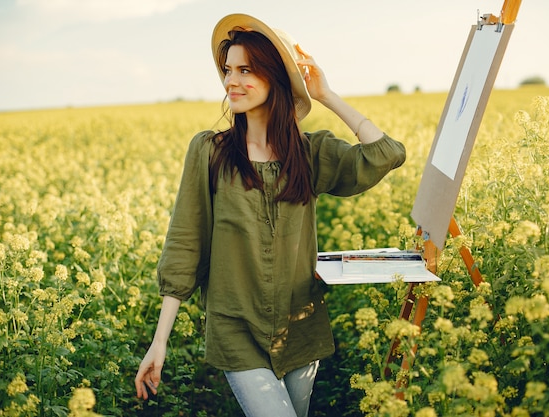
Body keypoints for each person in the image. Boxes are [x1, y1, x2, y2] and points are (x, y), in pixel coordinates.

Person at [134, 13, 406, 417]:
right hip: (236, 328)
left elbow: (386, 154)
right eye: (228, 70)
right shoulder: (209, 151)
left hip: (301, 327)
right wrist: (159, 342)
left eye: (246, 70)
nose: (231, 81)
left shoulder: (309, 153)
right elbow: (184, 244)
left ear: (274, 77)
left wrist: (326, 95)